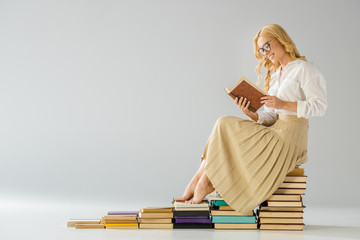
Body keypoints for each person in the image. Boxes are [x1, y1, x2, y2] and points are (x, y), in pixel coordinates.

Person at [174, 24, 327, 214]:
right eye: (261, 50)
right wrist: (252, 114)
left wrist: (283, 104)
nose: (264, 53)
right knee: (223, 123)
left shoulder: (304, 69)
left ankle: (204, 181)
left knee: (225, 124)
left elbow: (320, 106)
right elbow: (272, 116)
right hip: (276, 129)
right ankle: (199, 178)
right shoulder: (277, 74)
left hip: (290, 136)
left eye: (267, 46)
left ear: (280, 40)